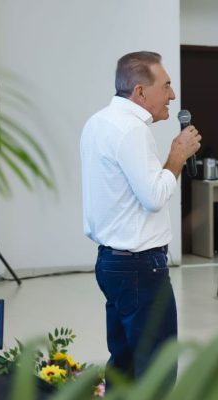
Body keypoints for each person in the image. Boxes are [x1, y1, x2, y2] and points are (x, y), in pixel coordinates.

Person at [81, 51, 201, 382]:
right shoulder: (132, 130)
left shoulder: (98, 122)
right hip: (139, 266)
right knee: (156, 370)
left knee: (124, 364)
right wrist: (177, 156)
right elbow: (153, 196)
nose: (173, 96)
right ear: (140, 92)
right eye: (166, 86)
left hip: (111, 262)